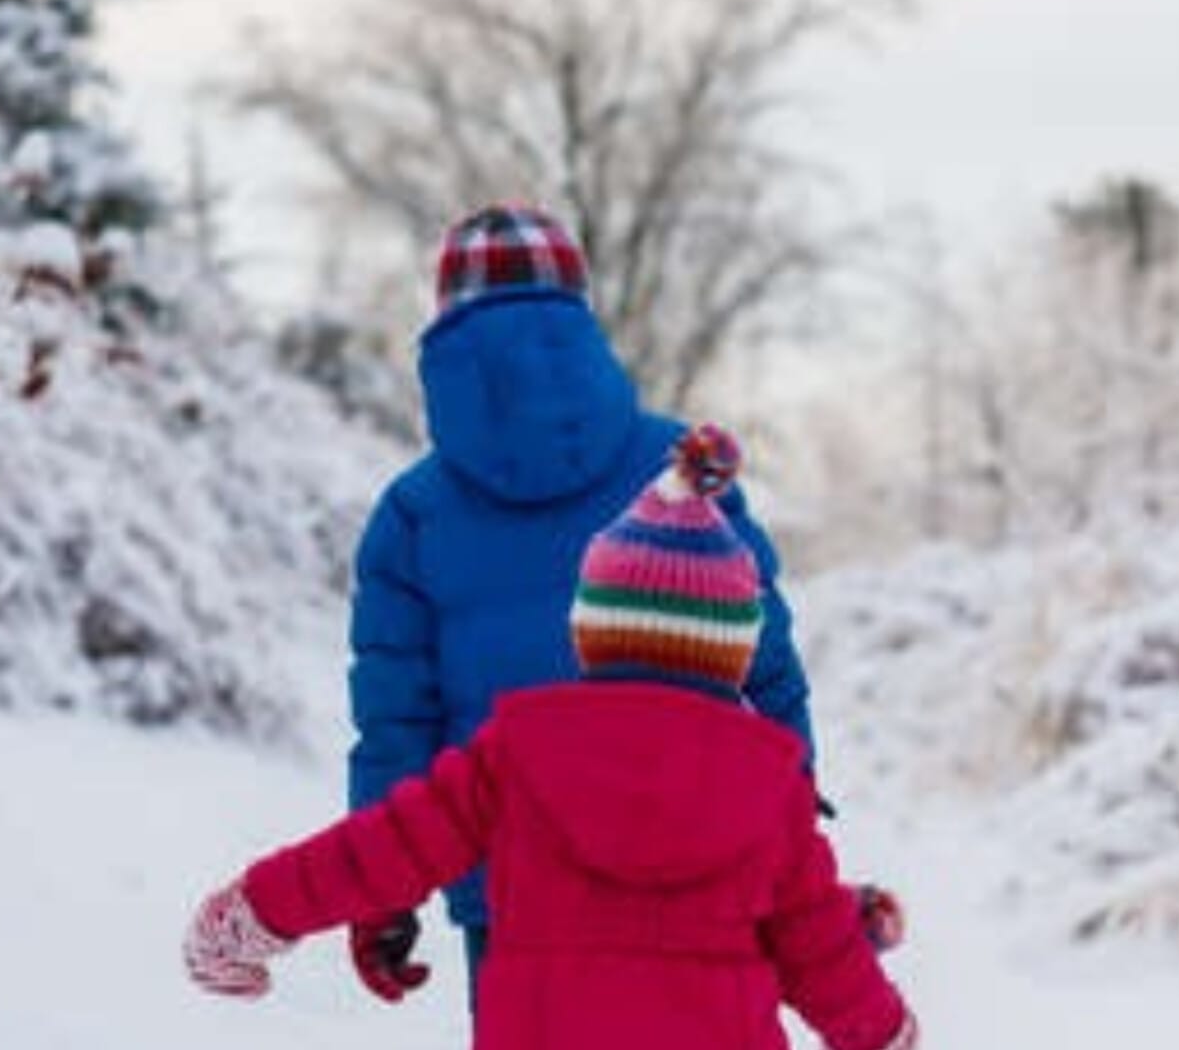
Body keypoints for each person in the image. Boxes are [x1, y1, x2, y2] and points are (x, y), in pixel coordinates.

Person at [184, 427, 917, 1050]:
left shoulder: (518, 754)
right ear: (735, 651)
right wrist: (888, 1031)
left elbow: (385, 847)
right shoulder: (770, 789)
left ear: (590, 633)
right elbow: (815, 951)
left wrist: (255, 912)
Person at [334, 204, 823, 1005]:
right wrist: (794, 814)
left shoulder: (411, 516)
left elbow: (396, 725)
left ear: (445, 330)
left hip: (512, 888)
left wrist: (381, 893)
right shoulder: (684, 470)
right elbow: (765, 663)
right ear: (580, 315)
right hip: (699, 865)